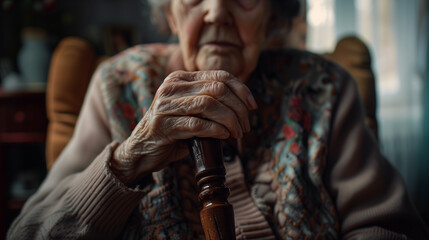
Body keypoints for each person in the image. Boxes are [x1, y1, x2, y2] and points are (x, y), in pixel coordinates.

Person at [7, 0, 429, 239]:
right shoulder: (117, 85)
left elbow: (390, 229)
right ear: (169, 12)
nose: (215, 12)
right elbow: (28, 233)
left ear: (272, 12)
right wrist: (128, 157)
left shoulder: (323, 88)